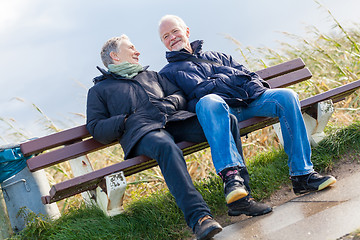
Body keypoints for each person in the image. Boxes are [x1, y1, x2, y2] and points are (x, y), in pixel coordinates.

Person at [86, 34, 255, 239]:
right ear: (115, 56)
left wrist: (169, 103)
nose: (137, 51)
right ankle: (200, 218)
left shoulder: (151, 75)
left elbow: (179, 95)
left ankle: (240, 198)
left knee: (227, 120)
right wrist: (124, 121)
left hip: (174, 121)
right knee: (166, 146)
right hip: (143, 133)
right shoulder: (99, 90)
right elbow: (95, 127)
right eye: (131, 48)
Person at [158, 15, 337, 203]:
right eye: (166, 36)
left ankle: (303, 175)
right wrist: (218, 89)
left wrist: (245, 89)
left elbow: (250, 76)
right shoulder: (167, 75)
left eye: (175, 31)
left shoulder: (218, 57)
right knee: (209, 101)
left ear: (186, 31)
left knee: (287, 96)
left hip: (247, 103)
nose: (172, 38)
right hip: (221, 114)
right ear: (163, 43)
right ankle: (232, 179)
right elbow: (183, 105)